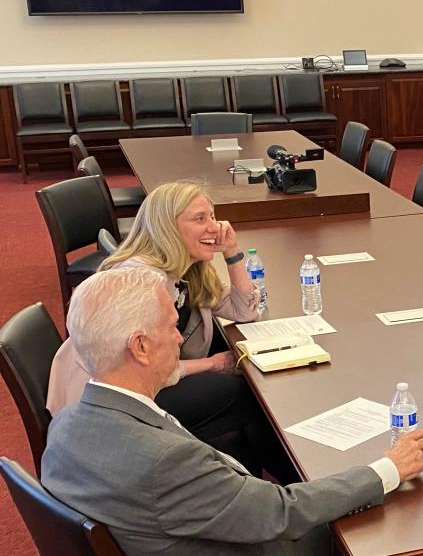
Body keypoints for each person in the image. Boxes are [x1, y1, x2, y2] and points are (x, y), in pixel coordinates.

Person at [40, 267, 423, 556]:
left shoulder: (67, 423)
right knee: (332, 529)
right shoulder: (164, 462)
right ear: (140, 346)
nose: (179, 338)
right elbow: (280, 512)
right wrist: (386, 469)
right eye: (172, 326)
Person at [46, 181, 291, 479]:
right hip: (111, 398)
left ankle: (255, 478)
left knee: (237, 417)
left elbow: (245, 311)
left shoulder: (189, 268)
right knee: (242, 392)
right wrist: (211, 364)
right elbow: (137, 360)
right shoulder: (141, 280)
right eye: (200, 219)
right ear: (167, 228)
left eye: (213, 216)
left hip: (151, 379)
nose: (214, 227)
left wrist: (232, 254)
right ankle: (284, 480)